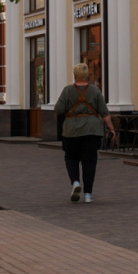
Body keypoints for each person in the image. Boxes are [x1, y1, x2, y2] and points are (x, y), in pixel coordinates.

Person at [54, 64, 114, 204]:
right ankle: (88, 194)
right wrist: (111, 129)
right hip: (92, 131)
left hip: (71, 131)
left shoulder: (67, 90)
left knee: (71, 157)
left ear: (74, 75)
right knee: (90, 161)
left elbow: (58, 109)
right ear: (87, 76)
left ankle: (75, 182)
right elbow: (104, 113)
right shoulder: (95, 90)